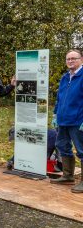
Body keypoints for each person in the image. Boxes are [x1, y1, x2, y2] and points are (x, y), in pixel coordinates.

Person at [50, 49, 83, 193]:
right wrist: (55, 115)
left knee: (81, 150)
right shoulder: (65, 77)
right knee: (62, 146)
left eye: (73, 58)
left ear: (81, 59)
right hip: (63, 120)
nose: (70, 61)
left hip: (77, 121)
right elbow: (59, 98)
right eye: (68, 59)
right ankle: (68, 175)